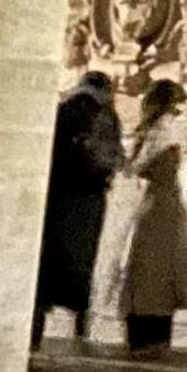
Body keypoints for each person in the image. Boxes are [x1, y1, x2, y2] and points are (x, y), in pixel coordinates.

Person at [98, 75, 187, 354]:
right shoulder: (167, 129)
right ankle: (155, 329)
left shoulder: (160, 130)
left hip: (156, 203)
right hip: (163, 202)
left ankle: (145, 329)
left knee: (148, 266)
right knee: (156, 266)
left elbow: (135, 166)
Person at [36, 65, 126, 346]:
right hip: (86, 195)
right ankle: (80, 322)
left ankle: (36, 323)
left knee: (47, 259)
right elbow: (111, 157)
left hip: (56, 193)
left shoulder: (62, 109)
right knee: (80, 258)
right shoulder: (103, 114)